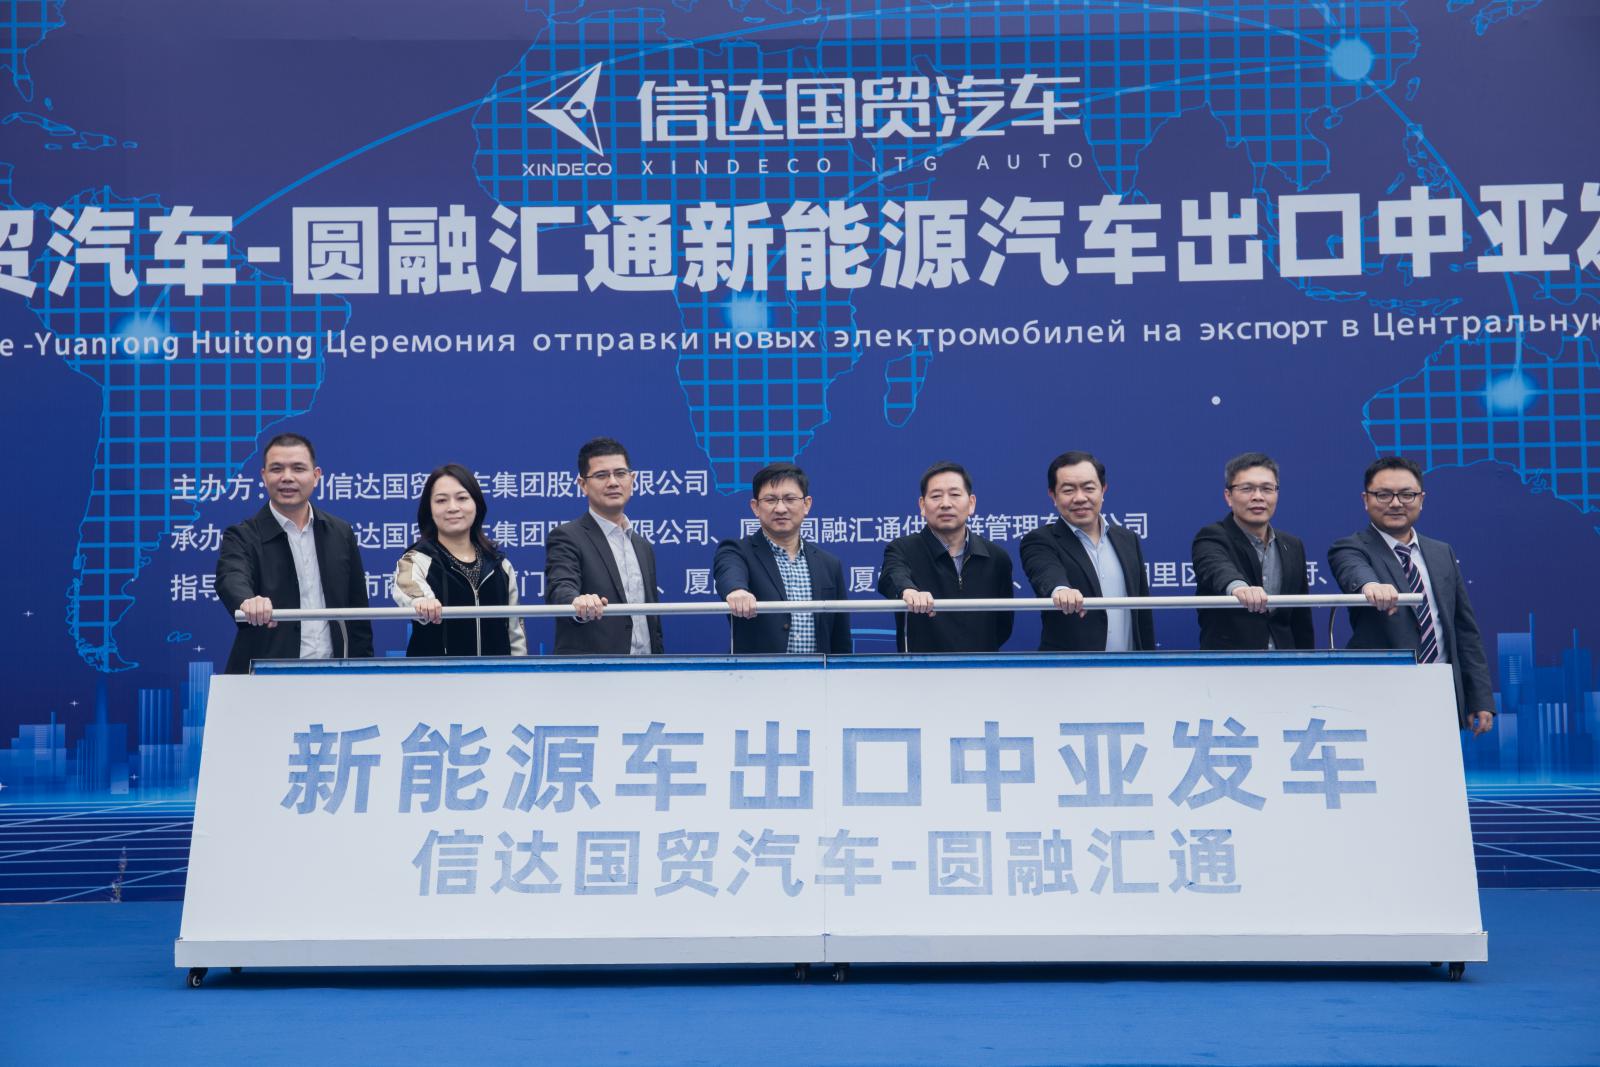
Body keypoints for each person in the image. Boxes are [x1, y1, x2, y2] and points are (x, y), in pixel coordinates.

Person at [1328, 456, 1495, 735]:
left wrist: (1479, 698)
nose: (1396, 503)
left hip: (1440, 692)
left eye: (1407, 494)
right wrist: (1370, 586)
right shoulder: (1350, 547)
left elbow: (1464, 630)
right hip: (1380, 694)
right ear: (1365, 500)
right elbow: (1353, 570)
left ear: (1421, 499)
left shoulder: (1442, 552)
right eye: (1383, 495)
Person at [215, 432, 373, 674]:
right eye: (277, 469)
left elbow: (358, 615)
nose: (287, 477)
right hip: (267, 677)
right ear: (264, 476)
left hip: (335, 675)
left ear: (316, 476)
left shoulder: (340, 533)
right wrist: (247, 601)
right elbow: (231, 576)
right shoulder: (243, 535)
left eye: (298, 468)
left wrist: (363, 674)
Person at [1019, 450, 1154, 652]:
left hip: (1129, 666)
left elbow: (1143, 613)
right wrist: (1061, 591)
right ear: (1053, 496)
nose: (1080, 498)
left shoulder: (1127, 539)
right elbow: (1045, 572)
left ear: (1103, 490)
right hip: (1072, 667)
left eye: (1089, 488)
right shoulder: (1040, 540)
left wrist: (1149, 662)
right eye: (1068, 490)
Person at [714, 462, 852, 654]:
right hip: (760, 671)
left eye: (790, 499)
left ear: (806, 504)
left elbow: (840, 639)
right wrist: (736, 590)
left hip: (818, 671)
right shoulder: (737, 551)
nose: (780, 508)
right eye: (770, 500)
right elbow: (729, 572)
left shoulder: (829, 564)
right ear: (755, 507)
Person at [877, 461, 1014, 652]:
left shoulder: (996, 557)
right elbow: (892, 576)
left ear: (971, 503)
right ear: (922, 505)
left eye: (955, 495)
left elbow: (1003, 626)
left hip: (981, 666)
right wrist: (908, 591)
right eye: (936, 496)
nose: (946, 504)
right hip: (921, 666)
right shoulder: (902, 549)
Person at [545, 437, 664, 655]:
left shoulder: (642, 546)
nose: (613, 482)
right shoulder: (567, 537)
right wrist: (578, 602)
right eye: (601, 475)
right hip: (595, 669)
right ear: (583, 484)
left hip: (647, 669)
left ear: (632, 479)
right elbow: (560, 588)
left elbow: (653, 624)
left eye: (620, 473)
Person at [392, 464, 527, 657]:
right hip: (435, 674)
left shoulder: (500, 565)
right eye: (441, 500)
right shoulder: (416, 559)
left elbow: (515, 633)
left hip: (496, 674)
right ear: (429, 509)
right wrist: (423, 602)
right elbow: (408, 587)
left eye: (462, 498)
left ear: (476, 504)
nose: (453, 508)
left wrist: (519, 670)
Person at [1191, 452, 1314, 650]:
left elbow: (1301, 620)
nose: (1258, 497)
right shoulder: (1211, 537)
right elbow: (1217, 568)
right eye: (1247, 489)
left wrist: (1307, 662)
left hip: (1286, 662)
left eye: (1267, 489)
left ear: (1277, 493)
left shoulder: (1293, 545)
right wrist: (1239, 588)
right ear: (1228, 496)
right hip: (1232, 661)